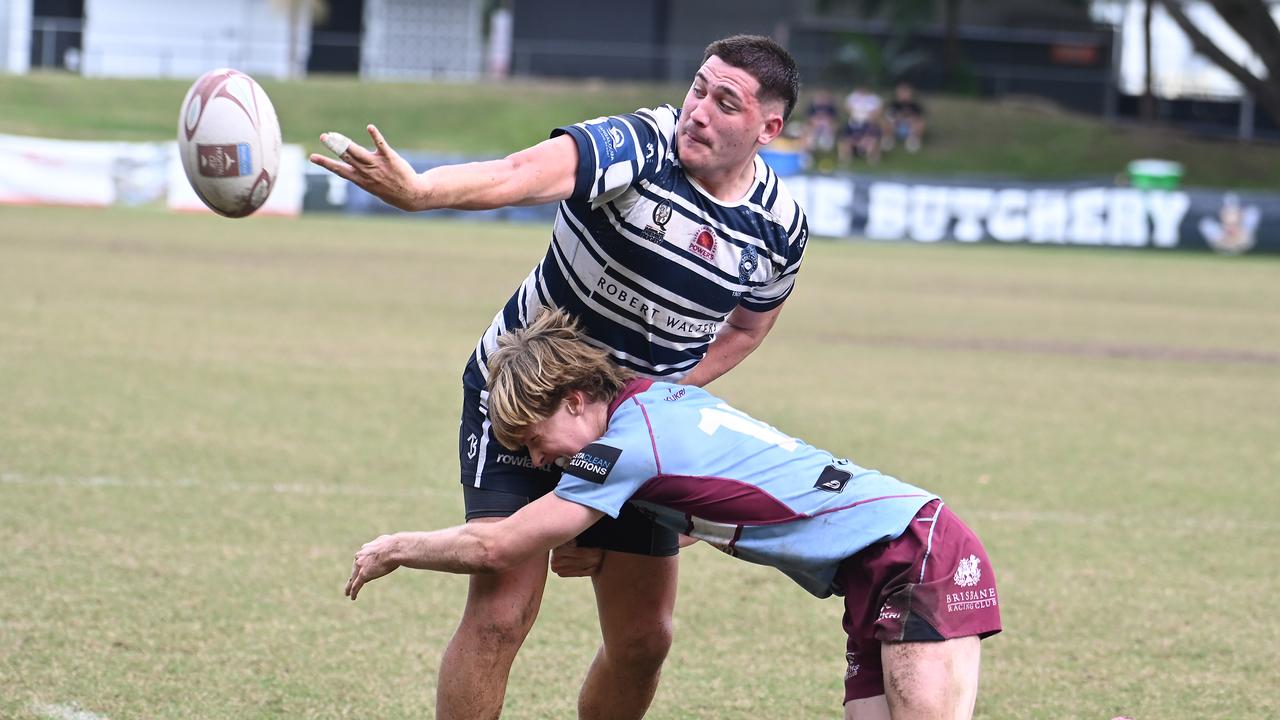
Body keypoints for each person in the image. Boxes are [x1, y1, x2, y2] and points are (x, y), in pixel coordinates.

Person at [311, 35, 808, 719]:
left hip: (629, 432)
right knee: (502, 614)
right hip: (523, 400)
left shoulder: (780, 227)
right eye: (699, 88)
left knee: (642, 640)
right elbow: (523, 172)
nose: (699, 110)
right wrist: (422, 191)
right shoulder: (639, 143)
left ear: (768, 128)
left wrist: (651, 403)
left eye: (726, 103)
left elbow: (749, 328)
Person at [345, 309, 1003, 720]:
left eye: (534, 438)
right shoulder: (656, 403)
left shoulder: (622, 450)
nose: (539, 459)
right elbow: (721, 503)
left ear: (576, 400)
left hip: (913, 551)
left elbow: (498, 547)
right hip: (877, 568)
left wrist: (394, 548)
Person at [840, 85, 884, 163]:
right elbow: (847, 109)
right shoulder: (852, 97)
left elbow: (878, 112)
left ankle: (873, 159)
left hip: (869, 124)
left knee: (872, 139)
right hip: (855, 124)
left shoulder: (874, 99)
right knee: (845, 140)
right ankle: (845, 160)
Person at [884, 81, 926, 153]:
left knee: (921, 123)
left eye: (906, 92)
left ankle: (912, 141)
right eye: (901, 92)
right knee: (886, 122)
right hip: (896, 127)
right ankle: (889, 140)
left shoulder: (915, 106)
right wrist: (898, 119)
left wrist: (910, 120)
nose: (904, 95)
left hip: (910, 127)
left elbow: (919, 118)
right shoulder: (893, 105)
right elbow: (889, 116)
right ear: (897, 93)